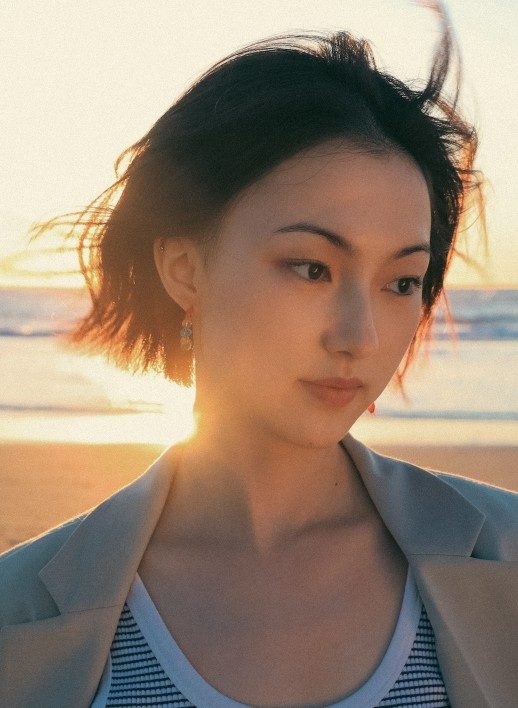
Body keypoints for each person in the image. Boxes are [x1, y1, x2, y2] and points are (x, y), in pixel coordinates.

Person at [1, 4, 517, 707]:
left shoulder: (505, 560)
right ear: (185, 268)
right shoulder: (21, 609)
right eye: (311, 267)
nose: (360, 335)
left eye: (402, 282)